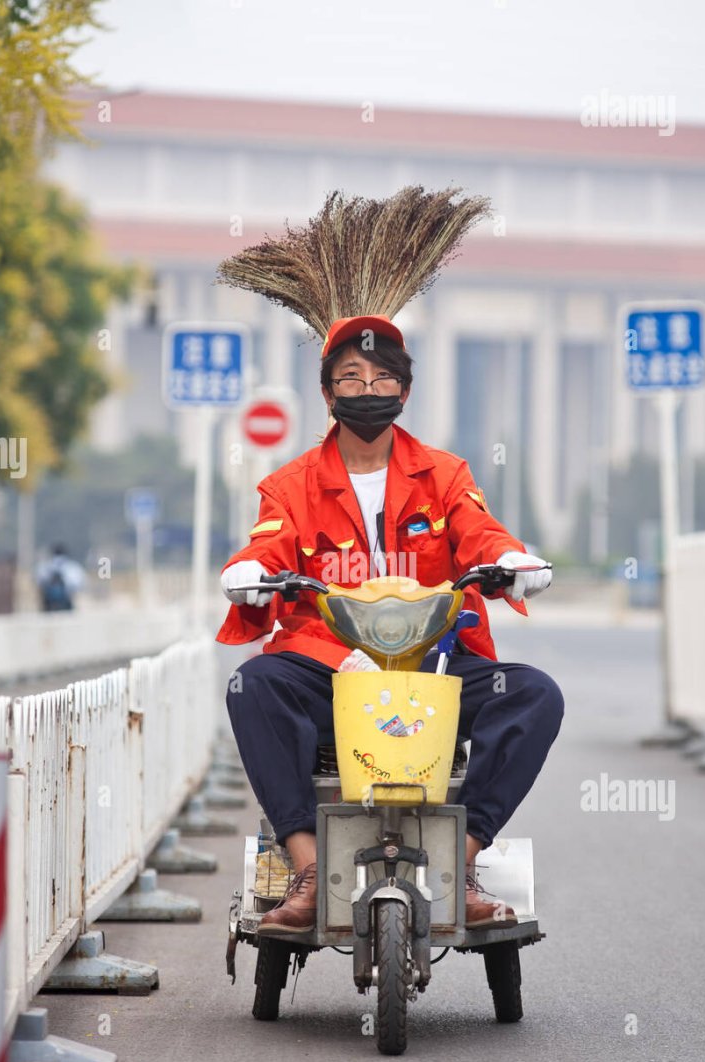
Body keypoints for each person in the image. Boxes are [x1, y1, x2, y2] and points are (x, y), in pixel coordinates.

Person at [218, 316, 564, 934]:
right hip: (329, 668)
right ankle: (306, 869)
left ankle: (461, 863)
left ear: (404, 393)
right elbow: (267, 548)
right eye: (350, 376)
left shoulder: (444, 474)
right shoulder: (291, 484)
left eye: (383, 377)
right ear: (327, 393)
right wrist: (245, 571)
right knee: (255, 686)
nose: (368, 388)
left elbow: (478, 530)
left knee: (535, 694)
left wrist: (509, 559)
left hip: (434, 668)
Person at [35, 543, 86, 612]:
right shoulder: (72, 567)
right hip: (65, 603)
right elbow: (78, 584)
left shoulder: (46, 566)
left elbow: (39, 581)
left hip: (49, 605)